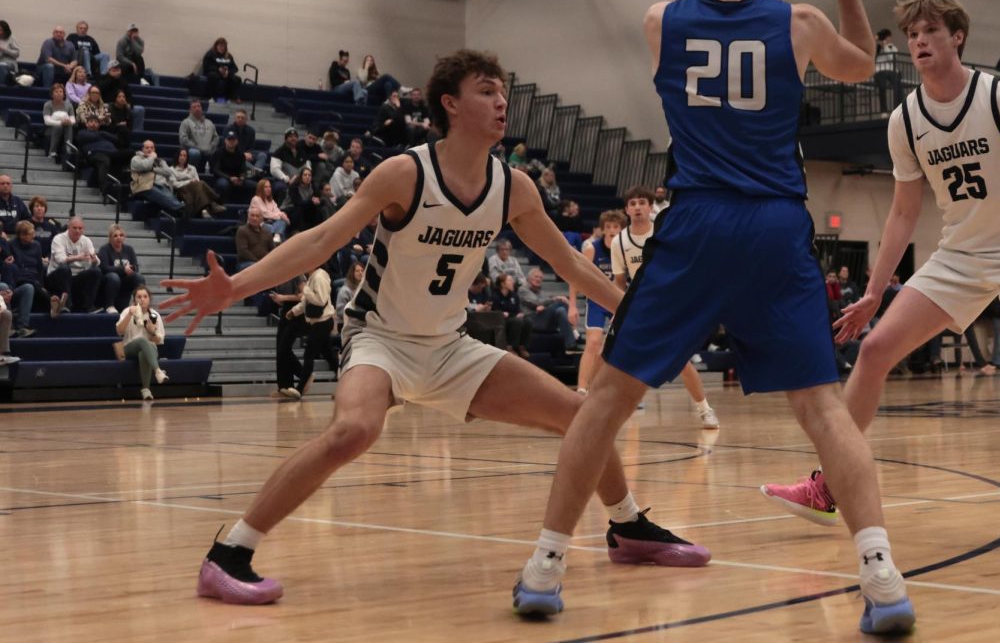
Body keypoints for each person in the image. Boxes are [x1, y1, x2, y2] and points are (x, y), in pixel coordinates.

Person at [162, 49, 705, 606]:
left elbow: (570, 266)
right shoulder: (405, 173)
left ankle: (628, 527)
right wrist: (235, 287)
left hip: (449, 347)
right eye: (486, 91)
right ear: (450, 103)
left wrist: (638, 315)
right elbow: (322, 241)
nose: (501, 102)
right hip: (380, 338)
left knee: (582, 414)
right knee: (355, 431)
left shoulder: (512, 186)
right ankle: (228, 553)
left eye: (503, 92)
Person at [514, 0, 914, 634]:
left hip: (696, 221)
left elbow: (697, 8)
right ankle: (881, 573)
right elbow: (863, 66)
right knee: (825, 409)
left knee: (605, 400)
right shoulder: (799, 22)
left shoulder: (660, 21)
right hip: (774, 224)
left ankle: (545, 565)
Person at [761, 0, 1000, 559]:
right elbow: (901, 212)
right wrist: (874, 291)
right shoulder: (906, 119)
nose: (918, 42)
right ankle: (828, 486)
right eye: (912, 34)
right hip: (958, 256)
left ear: (957, 37)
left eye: (930, 32)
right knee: (874, 352)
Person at [611, 186, 718, 428]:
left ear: (651, 207)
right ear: (626, 209)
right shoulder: (619, 241)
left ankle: (704, 409)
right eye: (633, 203)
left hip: (670, 302)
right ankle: (615, 411)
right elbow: (619, 282)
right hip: (639, 306)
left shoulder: (666, 233)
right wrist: (619, 310)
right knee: (620, 360)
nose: (637, 207)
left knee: (681, 362)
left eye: (642, 202)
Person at [576, 210, 623, 393]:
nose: (612, 230)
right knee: (593, 343)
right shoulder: (592, 249)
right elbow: (576, 276)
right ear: (603, 230)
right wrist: (572, 305)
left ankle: (613, 389)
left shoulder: (625, 250)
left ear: (621, 230)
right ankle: (581, 388)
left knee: (618, 346)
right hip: (596, 301)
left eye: (616, 227)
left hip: (618, 301)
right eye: (608, 227)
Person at [284, 265, 338, 397]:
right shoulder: (312, 278)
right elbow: (306, 302)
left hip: (323, 322)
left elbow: (320, 300)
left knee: (309, 354)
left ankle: (300, 389)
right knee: (330, 356)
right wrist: (294, 311)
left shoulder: (319, 277)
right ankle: (346, 385)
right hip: (318, 322)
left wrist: (305, 290)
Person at [115, 286, 169, 401]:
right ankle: (158, 371)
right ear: (134, 300)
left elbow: (159, 341)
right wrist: (130, 314)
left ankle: (146, 390)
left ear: (149, 299)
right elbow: (119, 331)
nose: (142, 299)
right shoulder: (127, 311)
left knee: (143, 353)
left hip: (149, 350)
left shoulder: (154, 315)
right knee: (141, 340)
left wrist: (152, 332)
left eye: (145, 296)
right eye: (139, 297)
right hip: (129, 348)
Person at [47, 216, 102, 314]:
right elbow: (60, 260)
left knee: (96, 271)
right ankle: (66, 305)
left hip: (76, 276)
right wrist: (77, 257)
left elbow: (97, 261)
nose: (77, 231)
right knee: (65, 269)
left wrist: (94, 260)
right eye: (75, 228)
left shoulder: (86, 241)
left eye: (80, 228)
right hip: (56, 276)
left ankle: (88, 307)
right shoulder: (58, 239)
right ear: (68, 227)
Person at [518, 267, 578, 352]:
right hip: (532, 320)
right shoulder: (523, 289)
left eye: (541, 278)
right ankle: (575, 332)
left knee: (561, 310)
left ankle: (570, 345)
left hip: (544, 320)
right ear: (529, 278)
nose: (538, 279)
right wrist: (554, 299)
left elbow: (543, 305)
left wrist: (544, 306)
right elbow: (536, 302)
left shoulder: (541, 292)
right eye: (536, 277)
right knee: (561, 302)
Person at [130, 139, 186, 216]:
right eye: (147, 148)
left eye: (152, 147)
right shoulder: (136, 159)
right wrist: (152, 158)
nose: (150, 149)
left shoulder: (160, 161)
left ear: (154, 149)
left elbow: (168, 172)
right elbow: (146, 166)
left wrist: (153, 169)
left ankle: (179, 209)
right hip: (144, 186)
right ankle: (181, 209)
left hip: (161, 185)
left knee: (168, 195)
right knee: (159, 193)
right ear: (142, 149)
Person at [98, 223, 145, 313]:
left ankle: (139, 304)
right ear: (110, 238)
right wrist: (123, 269)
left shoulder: (129, 249)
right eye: (115, 236)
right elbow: (104, 268)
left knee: (139, 277)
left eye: (121, 235)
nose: (119, 238)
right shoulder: (104, 249)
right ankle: (109, 305)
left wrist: (131, 268)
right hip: (109, 282)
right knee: (114, 277)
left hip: (125, 281)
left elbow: (135, 267)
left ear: (124, 237)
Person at [167, 149, 225, 219]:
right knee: (201, 184)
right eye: (180, 155)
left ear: (187, 157)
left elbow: (197, 181)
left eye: (184, 156)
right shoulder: (171, 169)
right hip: (181, 191)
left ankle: (204, 210)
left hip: (194, 190)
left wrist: (192, 182)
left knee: (200, 184)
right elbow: (174, 184)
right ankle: (214, 202)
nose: (182, 157)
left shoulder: (192, 168)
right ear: (177, 156)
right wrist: (189, 182)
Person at [74, 116, 122, 191]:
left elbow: (116, 139)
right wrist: (102, 135)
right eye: (91, 122)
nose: (93, 124)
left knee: (128, 154)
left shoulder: (102, 133)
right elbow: (91, 136)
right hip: (93, 154)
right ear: (86, 124)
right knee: (104, 160)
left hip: (110, 152)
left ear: (99, 125)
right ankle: (104, 188)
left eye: (96, 122)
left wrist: (101, 134)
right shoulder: (82, 133)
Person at [492, 273, 531, 358]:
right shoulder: (495, 295)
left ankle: (522, 346)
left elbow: (516, 310)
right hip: (500, 320)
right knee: (517, 321)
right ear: (502, 284)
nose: (512, 282)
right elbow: (496, 311)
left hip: (512, 317)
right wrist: (509, 314)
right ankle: (510, 347)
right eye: (510, 280)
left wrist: (519, 313)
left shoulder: (514, 295)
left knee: (528, 321)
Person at [179, 99, 220, 173]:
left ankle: (214, 176)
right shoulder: (186, 122)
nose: (197, 108)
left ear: (201, 108)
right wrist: (199, 148)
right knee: (194, 153)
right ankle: (190, 173)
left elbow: (216, 138)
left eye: (198, 106)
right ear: (190, 110)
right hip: (193, 150)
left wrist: (211, 147)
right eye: (194, 107)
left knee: (217, 152)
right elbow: (183, 139)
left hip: (209, 150)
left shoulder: (209, 122)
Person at [41, 83, 76, 161]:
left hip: (66, 127)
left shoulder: (68, 105)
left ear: (64, 94)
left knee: (69, 125)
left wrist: (69, 121)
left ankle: (68, 150)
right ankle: (52, 152)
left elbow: (73, 119)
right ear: (52, 94)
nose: (59, 94)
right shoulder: (48, 105)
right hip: (51, 128)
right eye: (56, 92)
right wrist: (60, 123)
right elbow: (47, 121)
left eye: (61, 92)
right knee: (58, 126)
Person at [212, 131, 249, 200]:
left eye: (233, 140)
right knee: (223, 184)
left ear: (237, 141)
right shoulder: (218, 153)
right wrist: (230, 178)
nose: (231, 141)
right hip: (222, 178)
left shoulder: (240, 155)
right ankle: (223, 206)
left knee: (255, 186)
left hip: (236, 179)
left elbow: (243, 170)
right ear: (225, 141)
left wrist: (242, 178)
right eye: (229, 139)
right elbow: (216, 170)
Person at [235, 207, 274, 271]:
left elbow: (272, 249)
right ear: (248, 217)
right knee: (257, 268)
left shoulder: (267, 232)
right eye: (252, 215)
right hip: (246, 262)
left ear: (262, 219)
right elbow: (243, 251)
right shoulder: (242, 230)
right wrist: (258, 262)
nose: (254, 218)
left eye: (257, 216)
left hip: (264, 262)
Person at [202, 37, 241, 102]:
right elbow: (206, 66)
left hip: (226, 74)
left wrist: (228, 72)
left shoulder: (229, 56)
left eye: (223, 46)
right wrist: (218, 69)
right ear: (216, 46)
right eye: (220, 46)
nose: (222, 48)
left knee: (237, 79)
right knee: (214, 76)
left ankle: (231, 98)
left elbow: (234, 68)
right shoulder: (210, 54)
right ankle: (212, 97)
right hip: (214, 73)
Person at [874, 27, 901, 115]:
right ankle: (884, 111)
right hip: (880, 71)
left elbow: (891, 57)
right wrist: (878, 45)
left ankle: (899, 108)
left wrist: (885, 46)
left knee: (897, 86)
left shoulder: (893, 48)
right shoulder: (877, 47)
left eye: (887, 37)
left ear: (890, 38)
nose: (886, 39)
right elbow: (872, 57)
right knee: (882, 87)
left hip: (891, 71)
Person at [0, 20, 19, 85]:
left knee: (1, 66)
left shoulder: (11, 38)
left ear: (5, 30)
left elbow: (17, 54)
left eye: (1, 30)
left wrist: (4, 50)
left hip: (9, 64)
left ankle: (2, 89)